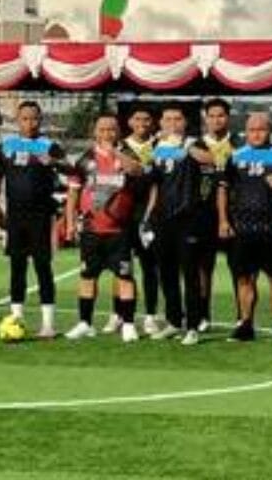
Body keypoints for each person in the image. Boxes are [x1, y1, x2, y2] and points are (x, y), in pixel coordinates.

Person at [218, 111, 272, 344]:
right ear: (246, 132)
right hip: (243, 230)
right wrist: (223, 221)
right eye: (252, 130)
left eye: (262, 129)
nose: (257, 134)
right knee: (244, 278)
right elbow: (223, 189)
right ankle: (245, 325)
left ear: (270, 131)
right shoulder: (235, 157)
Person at [0, 101, 66, 338]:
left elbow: (71, 170)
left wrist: (54, 162)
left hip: (41, 216)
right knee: (17, 267)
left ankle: (48, 324)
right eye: (25, 118)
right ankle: (16, 318)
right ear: (17, 120)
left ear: (40, 120)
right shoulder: (6, 146)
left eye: (34, 118)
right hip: (15, 216)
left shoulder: (50, 146)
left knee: (43, 267)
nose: (30, 123)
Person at [64, 112, 144, 342]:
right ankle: (85, 323)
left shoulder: (127, 154)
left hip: (120, 230)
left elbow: (137, 171)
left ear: (118, 132)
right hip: (92, 229)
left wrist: (115, 153)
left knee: (125, 277)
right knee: (87, 276)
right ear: (95, 132)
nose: (107, 133)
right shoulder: (85, 160)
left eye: (111, 129)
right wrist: (70, 223)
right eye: (102, 129)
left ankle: (128, 324)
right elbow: (73, 194)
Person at [144, 104, 213, 346]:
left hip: (188, 218)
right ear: (161, 123)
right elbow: (154, 183)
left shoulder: (195, 142)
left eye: (177, 119)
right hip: (162, 219)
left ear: (184, 123)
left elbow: (210, 160)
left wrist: (183, 144)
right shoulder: (157, 146)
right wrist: (148, 216)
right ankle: (174, 321)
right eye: (168, 119)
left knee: (190, 273)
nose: (172, 123)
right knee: (166, 272)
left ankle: (193, 326)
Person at [115, 103, 161, 335]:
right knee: (122, 267)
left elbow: (158, 184)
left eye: (146, 119)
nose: (142, 123)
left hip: (148, 215)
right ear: (129, 122)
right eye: (137, 119)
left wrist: (150, 215)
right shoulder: (119, 146)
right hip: (121, 215)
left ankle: (150, 316)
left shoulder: (159, 147)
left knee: (149, 267)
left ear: (152, 123)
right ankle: (119, 314)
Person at [197, 97, 241, 331]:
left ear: (228, 118)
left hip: (235, 214)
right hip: (204, 215)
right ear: (205, 119)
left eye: (221, 115)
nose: (216, 120)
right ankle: (203, 315)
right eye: (212, 116)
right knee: (204, 267)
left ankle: (242, 316)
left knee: (239, 267)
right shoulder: (195, 146)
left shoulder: (240, 144)